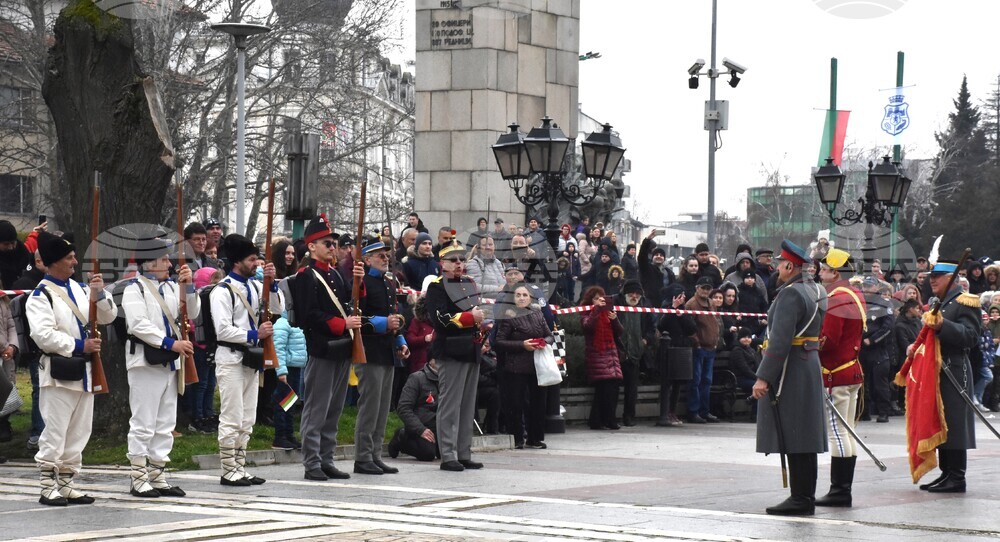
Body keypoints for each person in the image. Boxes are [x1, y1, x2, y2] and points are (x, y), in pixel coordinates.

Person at [29, 235, 118, 506]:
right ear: (54, 261)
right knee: (55, 430)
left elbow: (108, 316)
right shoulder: (40, 296)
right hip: (59, 370)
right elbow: (44, 336)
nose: (75, 262)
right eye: (69, 258)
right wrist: (81, 345)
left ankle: (67, 483)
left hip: (86, 370)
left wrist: (100, 294)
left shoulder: (81, 288)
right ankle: (47, 485)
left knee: (80, 430)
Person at [751, 240, 827, 516]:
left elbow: (780, 341)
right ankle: (804, 495)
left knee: (795, 434)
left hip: (791, 369)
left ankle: (801, 498)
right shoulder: (817, 289)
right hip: (809, 364)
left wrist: (763, 377)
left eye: (780, 263)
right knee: (804, 436)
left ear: (789, 266)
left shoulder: (790, 295)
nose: (776, 268)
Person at [121, 238, 199, 498]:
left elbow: (193, 313)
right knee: (143, 421)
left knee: (165, 422)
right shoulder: (135, 289)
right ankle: (138, 476)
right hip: (146, 361)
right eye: (164, 259)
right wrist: (170, 343)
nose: (169, 263)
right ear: (150, 263)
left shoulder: (172, 287)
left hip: (170, 362)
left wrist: (188, 288)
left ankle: (157, 474)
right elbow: (138, 325)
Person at [293, 216, 363, 481]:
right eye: (327, 243)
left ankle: (326, 458)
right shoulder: (305, 275)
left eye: (334, 243)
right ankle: (312, 462)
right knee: (316, 409)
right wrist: (341, 323)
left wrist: (359, 280)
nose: (333, 248)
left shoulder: (334, 273)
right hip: (322, 347)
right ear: (312, 247)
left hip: (342, 348)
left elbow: (350, 300)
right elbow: (308, 315)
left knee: (334, 409)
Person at [904, 259, 981, 493]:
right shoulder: (940, 302)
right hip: (935, 370)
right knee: (940, 421)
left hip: (954, 369)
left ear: (951, 278)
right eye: (931, 276)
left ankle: (957, 476)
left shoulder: (965, 301)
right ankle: (947, 473)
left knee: (954, 423)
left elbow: (970, 336)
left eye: (937, 276)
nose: (932, 280)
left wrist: (943, 326)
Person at [212, 234, 282, 487]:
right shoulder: (222, 291)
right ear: (237, 261)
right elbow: (223, 330)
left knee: (247, 417)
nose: (256, 264)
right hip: (231, 358)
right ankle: (228, 468)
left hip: (252, 360)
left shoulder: (255, 285)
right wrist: (255, 334)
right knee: (231, 416)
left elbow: (278, 308)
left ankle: (240, 466)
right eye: (252, 259)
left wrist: (272, 284)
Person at [424, 237, 486, 472]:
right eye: (454, 260)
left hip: (471, 348)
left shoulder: (468, 283)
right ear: (443, 263)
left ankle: (463, 452)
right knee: (450, 404)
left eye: (461, 259)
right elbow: (440, 319)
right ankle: (448, 454)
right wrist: (471, 318)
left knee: (468, 405)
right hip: (450, 350)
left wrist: (481, 322)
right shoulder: (437, 287)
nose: (459, 263)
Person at [815, 248, 866, 507]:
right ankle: (842, 489)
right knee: (847, 432)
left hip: (836, 372)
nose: (819, 272)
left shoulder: (836, 297)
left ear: (835, 272)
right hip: (851, 369)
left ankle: (840, 490)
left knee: (837, 432)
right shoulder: (854, 294)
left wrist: (807, 345)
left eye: (824, 268)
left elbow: (829, 340)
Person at [354, 238, 409, 475]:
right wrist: (382, 323)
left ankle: (375, 454)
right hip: (368, 350)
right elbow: (356, 318)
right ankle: (363, 456)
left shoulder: (388, 284)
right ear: (367, 260)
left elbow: (393, 315)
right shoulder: (361, 283)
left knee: (382, 407)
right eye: (380, 256)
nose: (386, 259)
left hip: (386, 350)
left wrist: (400, 340)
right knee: (370, 407)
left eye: (387, 255)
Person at [494, 284, 552, 448]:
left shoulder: (537, 313)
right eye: (518, 295)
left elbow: (549, 335)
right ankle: (517, 438)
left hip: (537, 366)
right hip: (516, 367)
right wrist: (522, 345)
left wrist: (543, 342)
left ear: (530, 298)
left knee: (538, 404)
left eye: (524, 295)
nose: (521, 298)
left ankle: (535, 438)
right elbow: (499, 341)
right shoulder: (508, 317)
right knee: (516, 404)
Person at [580, 286, 624, 430]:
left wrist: (615, 319)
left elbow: (619, 332)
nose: (600, 300)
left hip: (611, 354)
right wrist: (596, 310)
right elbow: (588, 326)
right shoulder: (587, 312)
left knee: (613, 388)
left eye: (601, 297)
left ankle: (608, 419)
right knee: (603, 389)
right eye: (596, 298)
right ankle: (601, 420)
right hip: (597, 354)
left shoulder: (607, 312)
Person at [614, 280, 654, 427]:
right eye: (632, 293)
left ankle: (629, 416)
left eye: (637, 294)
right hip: (618, 352)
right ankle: (611, 416)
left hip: (635, 353)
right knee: (614, 387)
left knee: (632, 390)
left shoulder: (645, 307)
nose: (634, 296)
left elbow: (651, 327)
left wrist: (646, 340)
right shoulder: (616, 303)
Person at [655, 283, 696, 426]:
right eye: (680, 295)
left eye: (684, 295)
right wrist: (672, 310)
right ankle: (665, 412)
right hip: (668, 350)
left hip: (681, 350)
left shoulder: (683, 311)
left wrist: (681, 315)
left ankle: (672, 411)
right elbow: (661, 325)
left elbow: (692, 329)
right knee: (668, 383)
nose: (683, 298)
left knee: (678, 383)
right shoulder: (666, 307)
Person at [859, 276, 897, 422]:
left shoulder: (885, 303)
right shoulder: (860, 302)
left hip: (878, 349)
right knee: (862, 383)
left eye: (870, 286)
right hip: (862, 349)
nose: (867, 289)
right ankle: (864, 412)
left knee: (880, 383)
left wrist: (872, 340)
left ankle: (883, 412)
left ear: (877, 287)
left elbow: (888, 328)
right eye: (865, 286)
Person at [388, 358, 440, 461]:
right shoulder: (416, 378)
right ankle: (400, 437)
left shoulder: (448, 379)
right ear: (431, 360)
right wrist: (420, 429)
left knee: (447, 455)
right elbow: (403, 408)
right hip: (421, 427)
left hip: (441, 428)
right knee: (427, 453)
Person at [685, 276, 721, 423]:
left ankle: (704, 411)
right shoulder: (691, 305)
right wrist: (697, 344)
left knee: (707, 380)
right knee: (696, 380)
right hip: (699, 348)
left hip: (711, 347)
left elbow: (716, 323)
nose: (706, 291)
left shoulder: (712, 303)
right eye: (703, 288)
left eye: (708, 288)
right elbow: (690, 327)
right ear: (697, 288)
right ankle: (694, 411)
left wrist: (716, 340)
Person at [638, 231, 677, 310]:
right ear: (652, 257)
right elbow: (642, 257)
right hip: (651, 305)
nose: (659, 256)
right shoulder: (647, 268)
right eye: (656, 255)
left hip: (666, 305)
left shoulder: (669, 273)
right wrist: (647, 240)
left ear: (664, 258)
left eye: (661, 255)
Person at [728, 328, 760, 420]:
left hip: (751, 378)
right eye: (744, 337)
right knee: (758, 386)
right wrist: (757, 378)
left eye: (749, 337)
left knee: (763, 385)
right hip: (739, 379)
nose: (747, 339)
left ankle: (754, 406)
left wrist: (761, 377)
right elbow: (744, 369)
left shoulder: (751, 350)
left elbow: (757, 365)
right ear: (739, 338)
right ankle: (755, 415)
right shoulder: (737, 351)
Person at [467, 236, 505, 301]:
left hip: (502, 301)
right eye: (484, 245)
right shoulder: (473, 263)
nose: (488, 247)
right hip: (483, 304)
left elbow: (504, 282)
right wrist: (497, 289)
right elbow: (474, 286)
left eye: (490, 244)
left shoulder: (498, 263)